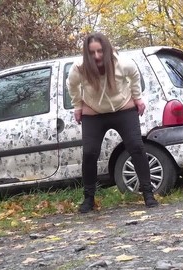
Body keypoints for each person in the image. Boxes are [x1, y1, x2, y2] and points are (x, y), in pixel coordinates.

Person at [67, 32, 159, 213]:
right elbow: (72, 86)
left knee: (136, 146)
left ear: (107, 49)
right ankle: (89, 199)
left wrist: (138, 98)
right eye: (92, 53)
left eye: (100, 51)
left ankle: (148, 193)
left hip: (123, 108)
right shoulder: (79, 68)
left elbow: (134, 77)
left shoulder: (123, 64)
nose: (97, 56)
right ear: (87, 53)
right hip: (93, 112)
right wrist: (78, 106)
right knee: (90, 152)